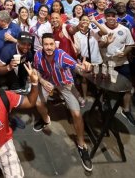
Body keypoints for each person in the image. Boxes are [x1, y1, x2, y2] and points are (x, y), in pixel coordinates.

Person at [34, 33, 93, 172]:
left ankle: (81, 145)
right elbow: (36, 70)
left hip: (65, 84)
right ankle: (46, 119)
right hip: (48, 81)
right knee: (38, 104)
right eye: (46, 44)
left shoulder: (62, 55)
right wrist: (42, 81)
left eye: (51, 44)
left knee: (77, 114)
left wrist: (85, 69)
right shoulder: (37, 55)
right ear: (42, 45)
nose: (48, 47)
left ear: (55, 45)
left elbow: (77, 68)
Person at [99, 8, 135, 127]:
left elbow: (130, 45)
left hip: (122, 62)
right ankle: (105, 102)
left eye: (113, 16)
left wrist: (125, 52)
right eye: (108, 16)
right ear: (105, 17)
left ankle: (126, 110)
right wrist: (106, 42)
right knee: (105, 85)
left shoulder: (124, 29)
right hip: (107, 62)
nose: (111, 18)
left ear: (116, 16)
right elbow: (99, 44)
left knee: (127, 87)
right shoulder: (101, 28)